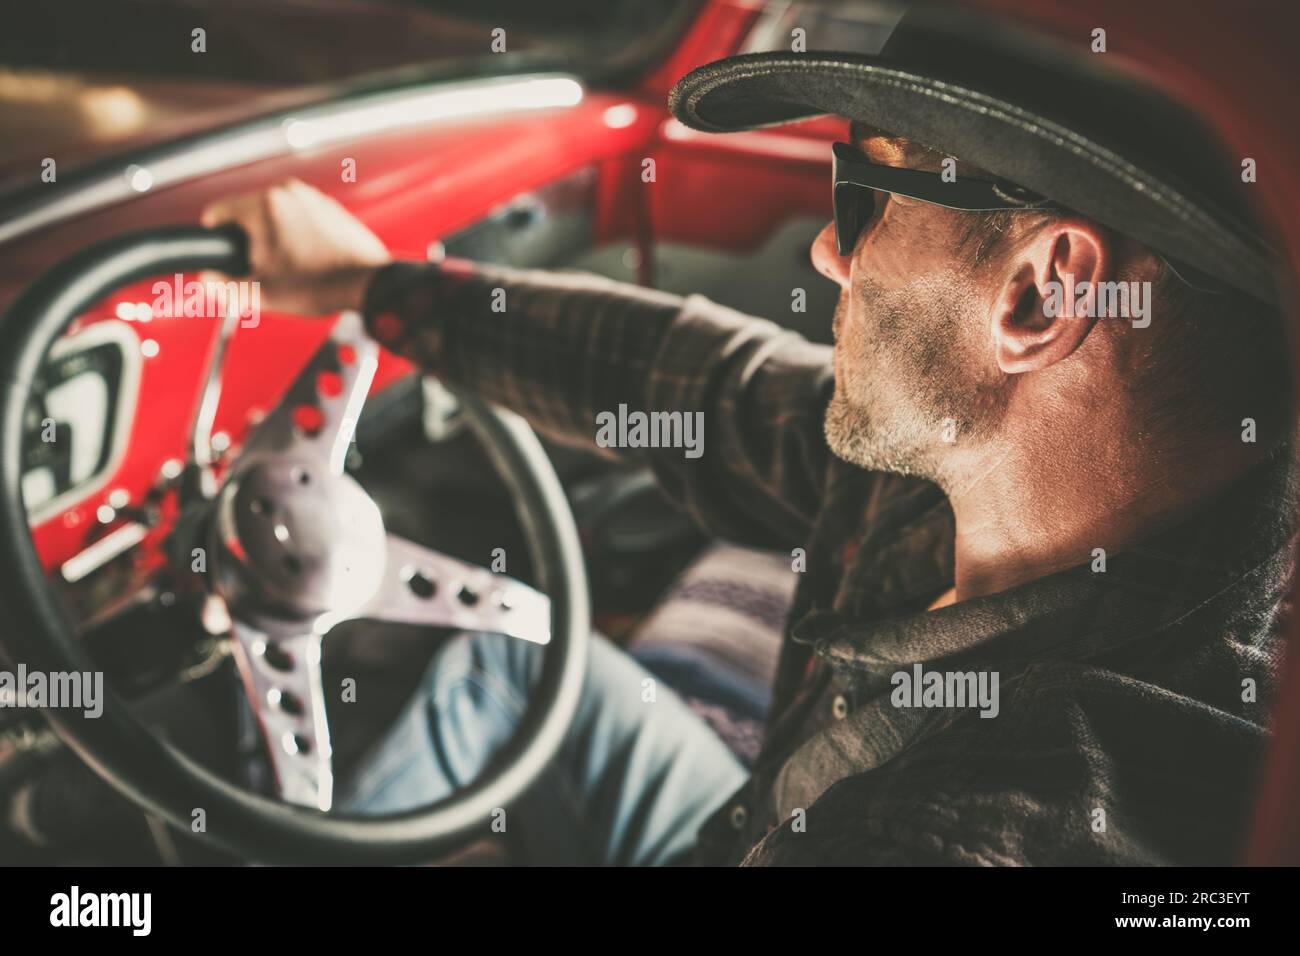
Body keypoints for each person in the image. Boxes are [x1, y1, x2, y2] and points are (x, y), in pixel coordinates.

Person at [201, 14, 1296, 864]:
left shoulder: (1003, 818)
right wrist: (373, 286)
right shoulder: (993, 473)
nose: (827, 253)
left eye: (861, 193)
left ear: (1041, 294)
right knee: (506, 661)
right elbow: (710, 395)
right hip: (739, 820)